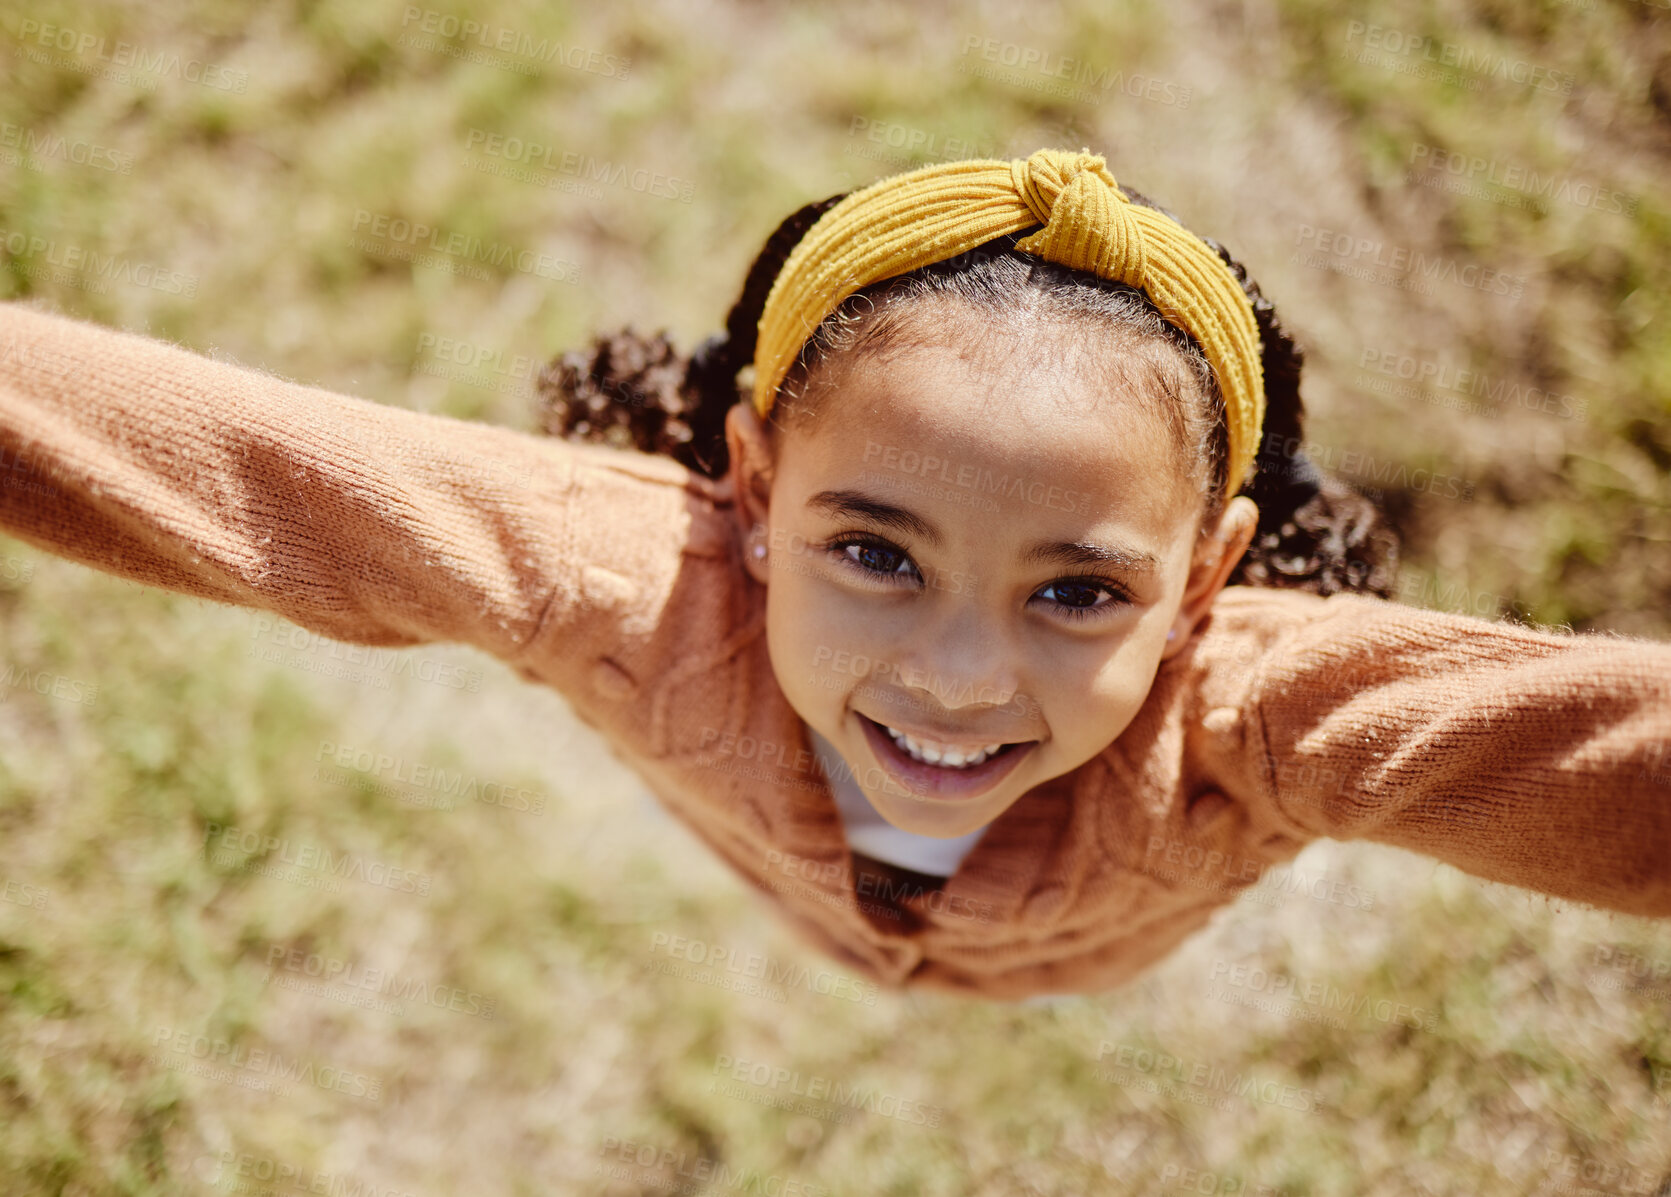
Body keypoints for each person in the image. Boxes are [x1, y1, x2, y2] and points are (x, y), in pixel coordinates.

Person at [1, 149, 1666, 1004]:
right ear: (749, 487)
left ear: (1211, 574)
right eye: (872, 551)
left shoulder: (1251, 717)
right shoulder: (629, 580)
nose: (954, 674)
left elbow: (1570, 754)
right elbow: (241, 471)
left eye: (1077, 593)